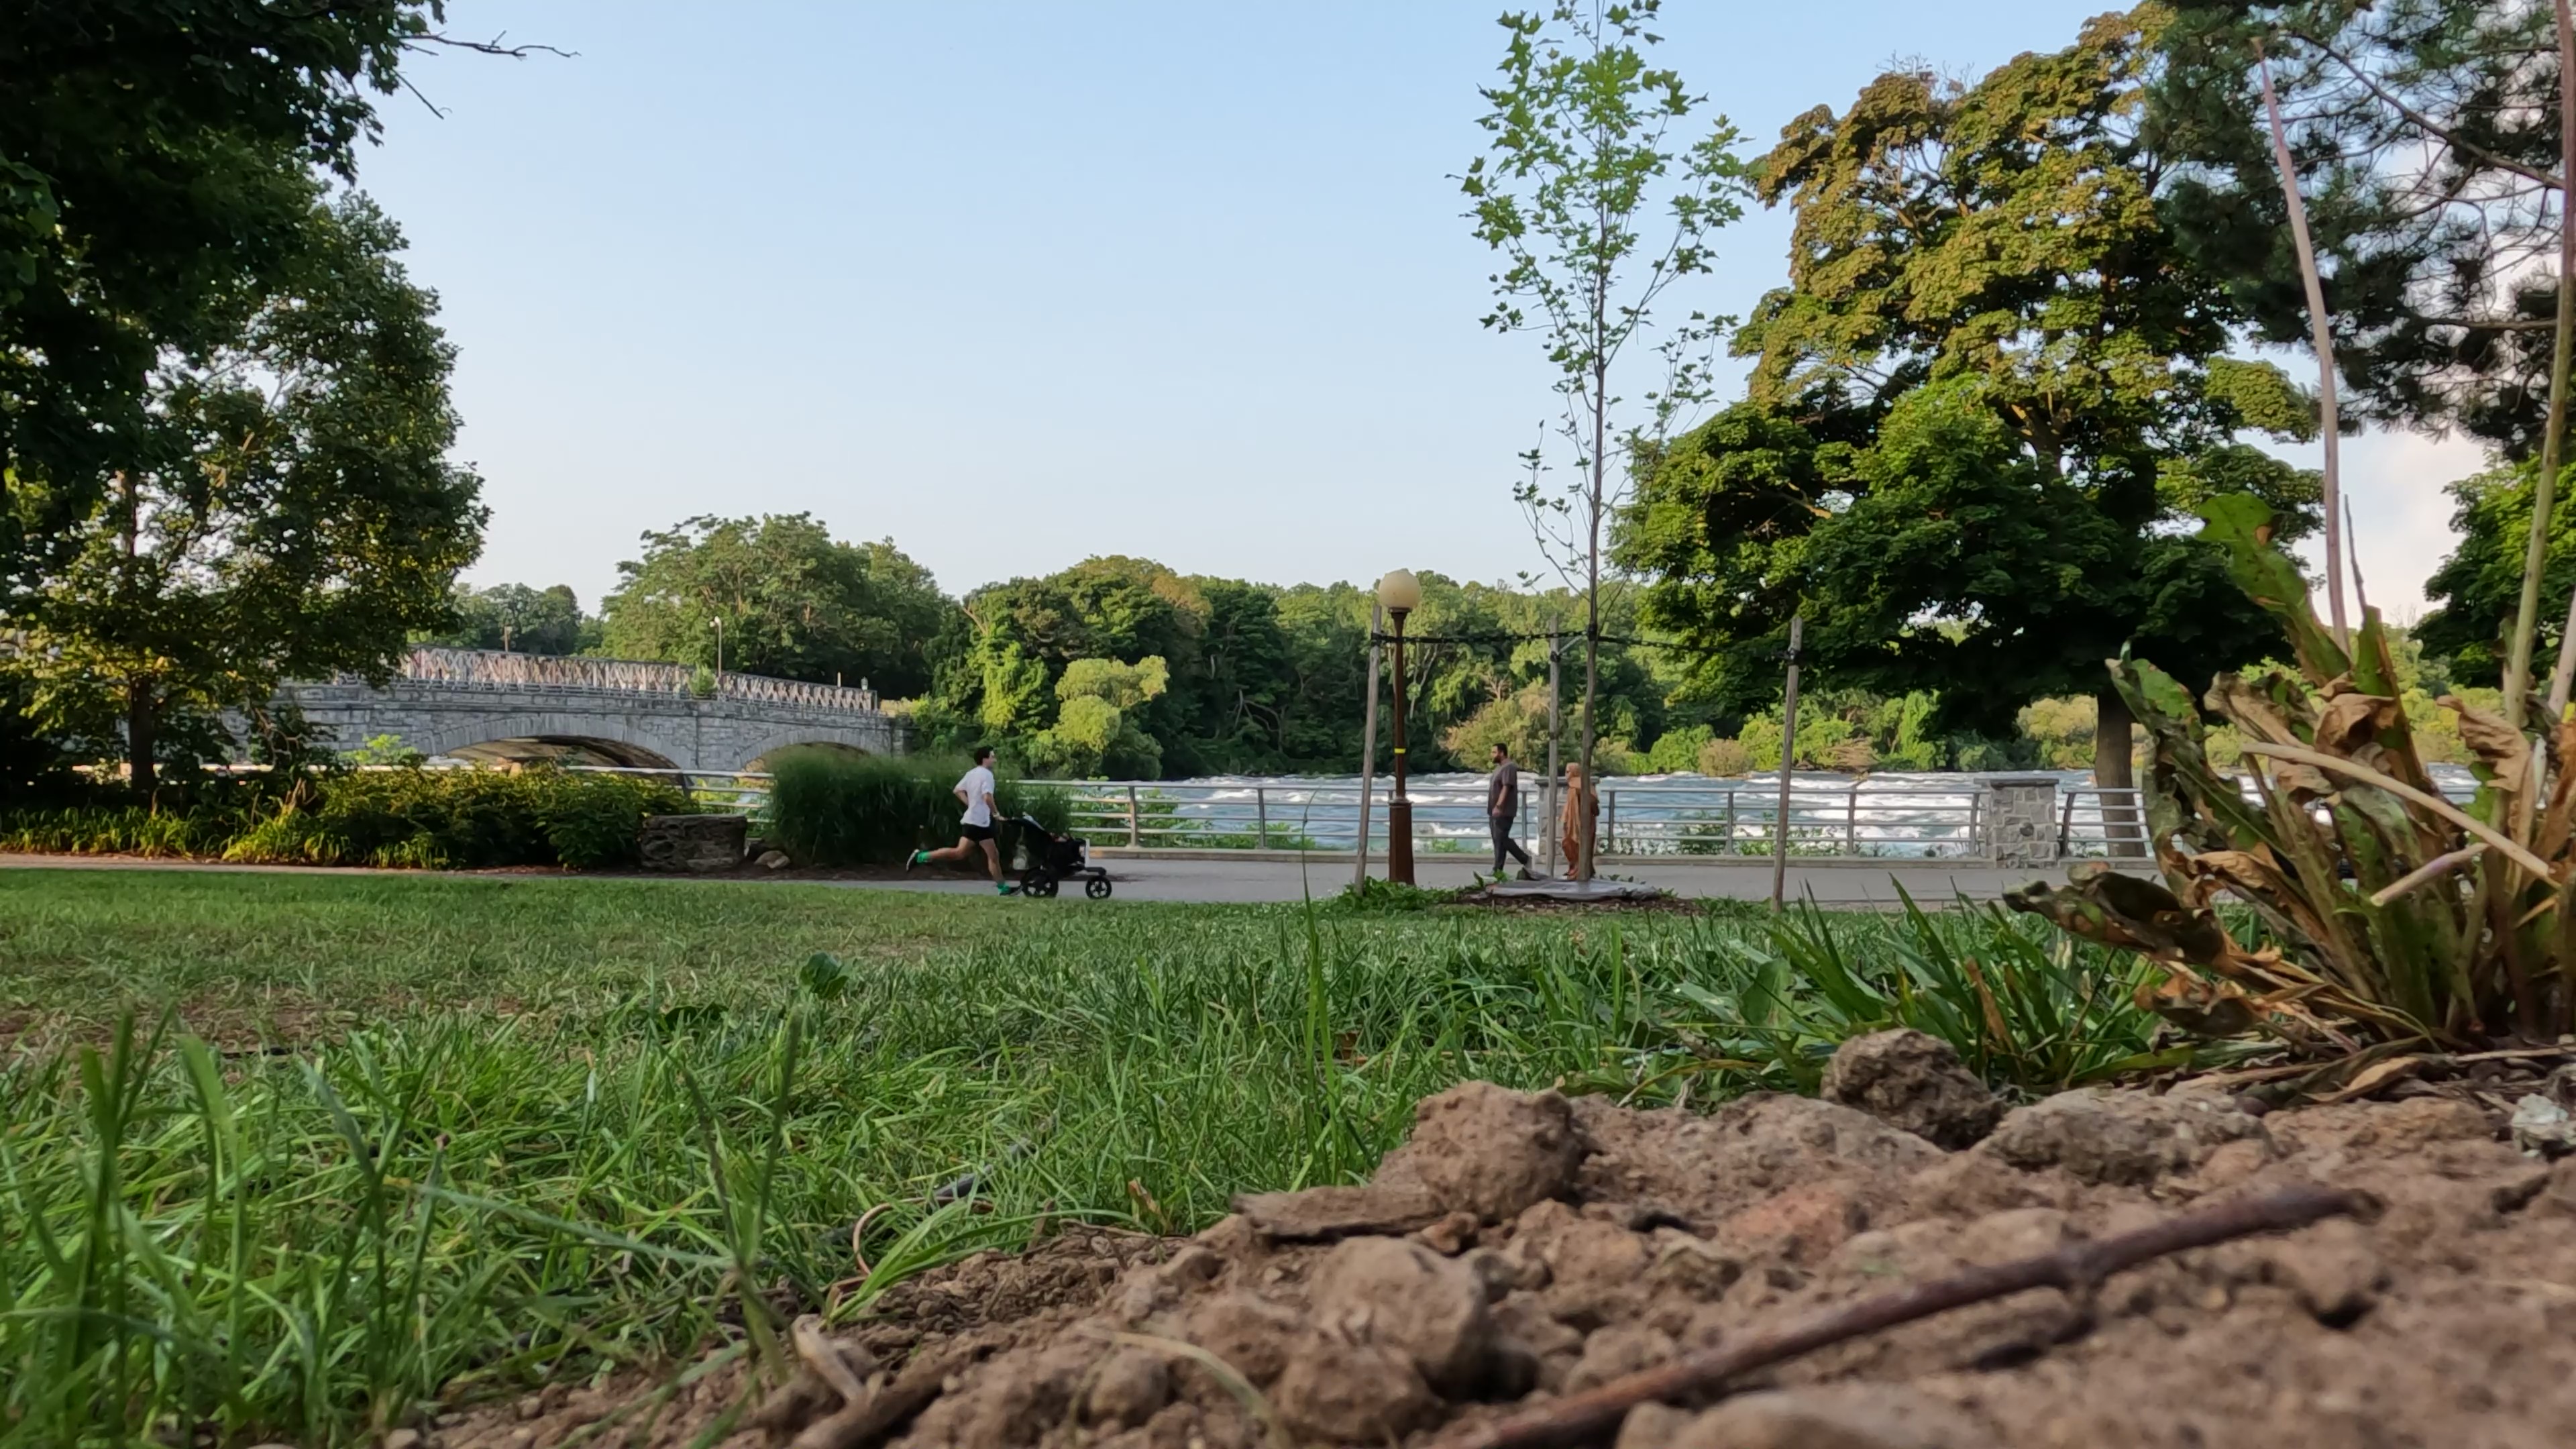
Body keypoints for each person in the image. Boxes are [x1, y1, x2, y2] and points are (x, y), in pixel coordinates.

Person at [907, 746, 1015, 894]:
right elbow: (987, 796)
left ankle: (921, 857)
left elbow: (957, 790)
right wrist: (996, 813)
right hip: (979, 822)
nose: (994, 760)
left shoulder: (971, 774)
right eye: (992, 757)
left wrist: (970, 804)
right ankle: (921, 856)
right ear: (985, 759)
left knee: (971, 854)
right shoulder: (987, 775)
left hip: (974, 820)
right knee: (978, 854)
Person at [1487, 743, 1536, 880]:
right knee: (1498, 840)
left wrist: (1499, 805)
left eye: (1494, 752)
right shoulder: (1500, 768)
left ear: (1502, 753)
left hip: (1503, 810)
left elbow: (1506, 787)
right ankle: (1498, 870)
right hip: (1494, 810)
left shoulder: (1509, 768)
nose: (1492, 755)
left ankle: (1524, 858)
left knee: (1502, 838)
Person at [1558, 761, 1598, 879]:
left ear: (1575, 772)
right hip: (1585, 821)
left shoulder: (1575, 786)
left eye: (1568, 772)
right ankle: (1578, 868)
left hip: (1580, 821)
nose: (1566, 775)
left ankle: (1578, 869)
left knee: (1573, 843)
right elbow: (1595, 805)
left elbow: (1591, 803)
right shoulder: (1586, 785)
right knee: (1573, 844)